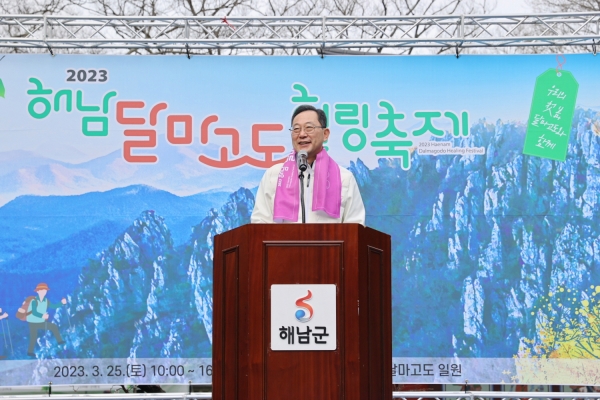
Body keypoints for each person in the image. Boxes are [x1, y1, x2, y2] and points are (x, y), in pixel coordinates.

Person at [251, 105, 365, 225]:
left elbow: (355, 227)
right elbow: (260, 224)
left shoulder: (344, 178)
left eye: (309, 128)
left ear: (325, 134)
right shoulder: (273, 175)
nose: (302, 134)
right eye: (296, 129)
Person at [26, 283, 67, 357]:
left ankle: (60, 341)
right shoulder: (34, 301)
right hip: (33, 321)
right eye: (42, 290)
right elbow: (34, 312)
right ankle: (30, 352)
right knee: (33, 336)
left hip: (40, 321)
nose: (44, 292)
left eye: (45, 290)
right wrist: (43, 316)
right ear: (38, 291)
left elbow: (54, 306)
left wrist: (62, 303)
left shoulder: (46, 301)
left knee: (53, 327)